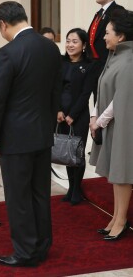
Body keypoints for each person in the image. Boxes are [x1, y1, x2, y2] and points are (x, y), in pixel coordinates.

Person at [0, 1, 62, 267]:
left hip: (16, 138)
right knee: (40, 192)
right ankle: (42, 245)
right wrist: (48, 125)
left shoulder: (8, 52)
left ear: (3, 24)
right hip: (42, 134)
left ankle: (25, 252)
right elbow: (56, 92)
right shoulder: (50, 48)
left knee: (18, 197)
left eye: (0, 28)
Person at [89, 9, 133, 241]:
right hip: (112, 123)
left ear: (121, 36)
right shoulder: (115, 56)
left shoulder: (129, 60)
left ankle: (121, 219)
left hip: (123, 124)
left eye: (107, 33)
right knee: (117, 173)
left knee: (123, 172)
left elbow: (120, 100)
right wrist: (94, 116)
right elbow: (102, 89)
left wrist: (99, 121)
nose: (104, 37)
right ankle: (116, 216)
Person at [57, 28, 94, 205]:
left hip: (79, 115)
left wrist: (73, 114)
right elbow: (54, 89)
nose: (70, 45)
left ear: (84, 45)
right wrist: (58, 110)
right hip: (60, 115)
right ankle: (71, 188)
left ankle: (77, 189)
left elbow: (86, 93)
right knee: (66, 152)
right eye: (68, 41)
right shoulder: (60, 62)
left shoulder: (89, 65)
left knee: (77, 153)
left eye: (75, 41)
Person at [88, 0, 124, 104]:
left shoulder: (118, 11)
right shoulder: (99, 13)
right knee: (96, 101)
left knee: (106, 101)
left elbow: (121, 39)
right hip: (94, 65)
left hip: (108, 64)